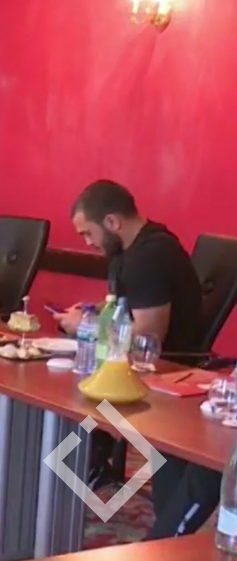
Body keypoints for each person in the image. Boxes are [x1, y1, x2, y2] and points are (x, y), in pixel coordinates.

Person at [53, 180, 210, 539]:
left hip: (165, 379)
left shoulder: (149, 257)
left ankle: (74, 490)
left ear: (112, 222)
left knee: (66, 410)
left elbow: (146, 339)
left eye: (87, 233)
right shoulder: (130, 250)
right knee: (62, 404)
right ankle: (82, 477)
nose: (87, 243)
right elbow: (123, 307)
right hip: (138, 375)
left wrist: (86, 327)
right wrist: (91, 312)